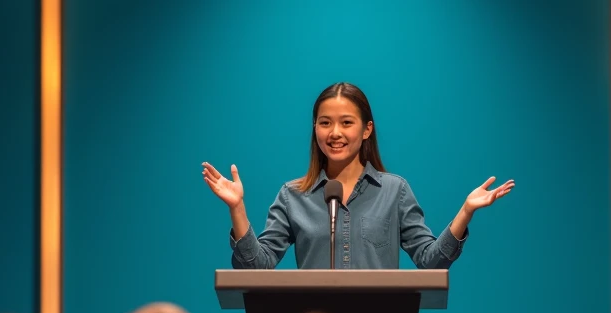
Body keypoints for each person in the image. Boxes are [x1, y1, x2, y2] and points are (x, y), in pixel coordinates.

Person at [202, 82, 514, 269]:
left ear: (366, 130)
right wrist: (237, 209)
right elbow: (258, 267)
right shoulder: (293, 195)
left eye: (346, 123)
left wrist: (466, 211)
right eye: (325, 123)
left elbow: (430, 260)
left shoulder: (395, 191)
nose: (334, 133)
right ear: (315, 130)